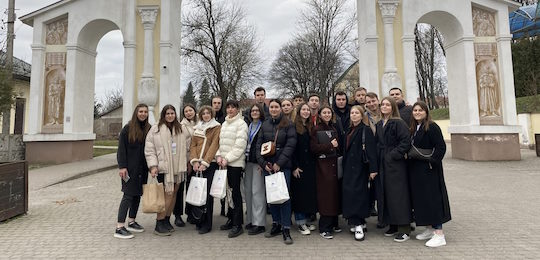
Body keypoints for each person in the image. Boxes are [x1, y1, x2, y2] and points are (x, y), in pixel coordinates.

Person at [408, 101, 451, 247]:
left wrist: (432, 161)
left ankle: (439, 234)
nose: (417, 112)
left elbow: (441, 147)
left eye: (420, 110)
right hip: (416, 169)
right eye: (415, 110)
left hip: (429, 169)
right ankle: (429, 228)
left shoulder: (432, 127)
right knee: (422, 200)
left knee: (433, 199)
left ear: (426, 112)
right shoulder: (414, 127)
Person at [145, 105, 191, 236]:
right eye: (168, 113)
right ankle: (159, 223)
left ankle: (166, 219)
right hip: (164, 167)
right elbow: (149, 149)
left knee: (174, 193)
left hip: (178, 167)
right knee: (167, 194)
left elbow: (188, 147)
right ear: (163, 115)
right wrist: (153, 166)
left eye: (172, 113)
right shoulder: (156, 129)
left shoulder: (181, 129)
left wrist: (188, 162)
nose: (170, 116)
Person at [256, 99, 297, 245]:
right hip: (268, 166)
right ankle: (276, 224)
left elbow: (291, 145)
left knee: (284, 197)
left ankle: (286, 228)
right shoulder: (265, 124)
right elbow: (258, 145)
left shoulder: (288, 124)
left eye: (276, 107)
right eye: (272, 107)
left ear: (280, 109)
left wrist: (279, 163)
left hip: (282, 166)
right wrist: (263, 163)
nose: (274, 109)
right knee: (272, 196)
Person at [376, 97, 412, 242]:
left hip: (395, 164)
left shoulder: (398, 122)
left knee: (398, 195)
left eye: (387, 105)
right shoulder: (379, 124)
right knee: (386, 194)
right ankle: (392, 224)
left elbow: (405, 142)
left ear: (392, 107)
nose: (384, 107)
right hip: (382, 163)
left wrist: (392, 156)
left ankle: (404, 228)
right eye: (382, 104)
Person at [341, 105, 378, 241]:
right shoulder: (349, 130)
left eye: (357, 113)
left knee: (359, 195)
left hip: (360, 168)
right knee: (350, 195)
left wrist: (373, 169)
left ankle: (358, 225)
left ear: (362, 115)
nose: (354, 115)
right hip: (348, 169)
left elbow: (372, 151)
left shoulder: (366, 130)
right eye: (352, 113)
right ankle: (356, 221)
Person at [114, 104, 151, 239]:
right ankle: (119, 227)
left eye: (145, 112)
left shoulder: (148, 128)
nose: (143, 114)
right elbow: (121, 150)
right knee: (128, 196)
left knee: (137, 195)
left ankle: (132, 221)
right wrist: (122, 166)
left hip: (143, 169)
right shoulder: (127, 129)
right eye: (141, 111)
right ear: (136, 113)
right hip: (129, 169)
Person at [216, 100, 249, 238]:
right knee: (228, 193)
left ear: (237, 109)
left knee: (235, 194)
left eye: (233, 108)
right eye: (228, 108)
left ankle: (238, 224)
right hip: (223, 163)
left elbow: (239, 145)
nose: (230, 110)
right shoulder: (224, 123)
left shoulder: (241, 124)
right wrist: (218, 156)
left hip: (234, 164)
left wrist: (227, 158)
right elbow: (220, 142)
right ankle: (230, 219)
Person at [189, 105, 221, 234]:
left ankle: (207, 224)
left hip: (209, 164)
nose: (206, 115)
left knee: (207, 195)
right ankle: (199, 219)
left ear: (211, 114)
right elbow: (193, 145)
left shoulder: (216, 127)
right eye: (204, 113)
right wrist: (194, 161)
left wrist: (205, 162)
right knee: (198, 193)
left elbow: (214, 145)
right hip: (197, 164)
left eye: (208, 113)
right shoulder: (197, 128)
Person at [310, 105, 341, 239]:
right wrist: (330, 146)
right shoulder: (316, 129)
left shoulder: (333, 128)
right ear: (320, 115)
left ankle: (334, 223)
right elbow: (314, 148)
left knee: (334, 195)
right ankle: (324, 227)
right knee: (326, 197)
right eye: (324, 112)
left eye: (329, 112)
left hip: (333, 165)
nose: (327, 114)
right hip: (323, 167)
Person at [291, 103, 318, 235]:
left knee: (308, 194)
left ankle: (306, 220)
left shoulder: (311, 126)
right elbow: (291, 148)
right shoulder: (293, 126)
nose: (306, 112)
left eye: (308, 110)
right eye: (304, 109)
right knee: (299, 195)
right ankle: (300, 222)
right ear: (299, 111)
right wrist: (294, 166)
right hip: (298, 165)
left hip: (310, 166)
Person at [243, 104, 267, 236]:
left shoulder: (264, 125)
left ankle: (259, 223)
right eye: (252, 110)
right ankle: (250, 220)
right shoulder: (249, 125)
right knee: (248, 192)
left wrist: (262, 162)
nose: (255, 112)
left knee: (257, 192)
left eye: (257, 110)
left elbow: (265, 145)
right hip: (247, 162)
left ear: (261, 112)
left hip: (258, 164)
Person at [174, 104, 197, 226]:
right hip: (184, 160)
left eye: (190, 110)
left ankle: (190, 213)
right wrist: (187, 161)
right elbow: (180, 146)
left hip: (195, 160)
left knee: (192, 187)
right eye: (186, 111)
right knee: (180, 188)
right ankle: (177, 215)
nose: (188, 113)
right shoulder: (180, 126)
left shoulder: (198, 124)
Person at [364, 92, 382, 219]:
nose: (371, 104)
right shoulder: (364, 117)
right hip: (371, 153)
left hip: (384, 153)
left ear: (378, 100)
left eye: (373, 101)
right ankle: (370, 206)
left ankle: (383, 213)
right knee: (371, 183)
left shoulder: (386, 112)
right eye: (368, 102)